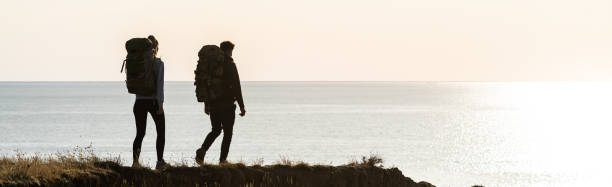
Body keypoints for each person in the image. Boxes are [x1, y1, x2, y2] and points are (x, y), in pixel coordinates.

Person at [196, 41, 246, 164]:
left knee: (216, 130)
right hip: (227, 105)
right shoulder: (230, 64)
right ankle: (222, 160)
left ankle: (202, 150)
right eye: (231, 51)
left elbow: (207, 85)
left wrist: (206, 104)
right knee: (228, 133)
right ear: (228, 50)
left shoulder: (212, 66)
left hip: (213, 103)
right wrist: (241, 106)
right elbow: (236, 86)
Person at [132, 35, 167, 169]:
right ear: (156, 47)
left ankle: (135, 162)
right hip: (153, 102)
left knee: (140, 133)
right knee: (161, 131)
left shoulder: (138, 63)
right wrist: (160, 104)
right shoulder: (158, 63)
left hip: (139, 102)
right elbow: (159, 85)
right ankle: (159, 162)